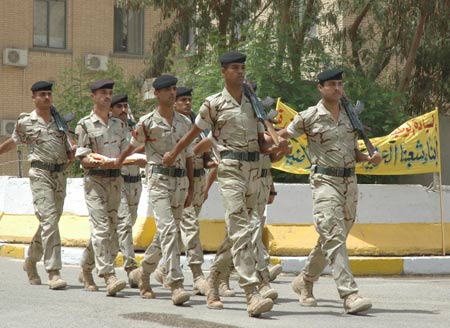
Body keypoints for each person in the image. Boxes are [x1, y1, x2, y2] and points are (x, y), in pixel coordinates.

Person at [161, 52, 289, 317]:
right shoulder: (213, 104)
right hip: (229, 169)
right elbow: (193, 135)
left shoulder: (253, 104)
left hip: (255, 170)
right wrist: (175, 153)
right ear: (223, 72)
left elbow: (261, 142)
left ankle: (214, 279)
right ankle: (251, 292)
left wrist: (277, 148)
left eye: (242, 67)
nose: (240, 72)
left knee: (241, 231)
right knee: (241, 230)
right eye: (234, 68)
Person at [278, 68, 382, 314]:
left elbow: (352, 151)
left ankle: (305, 281)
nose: (337, 88)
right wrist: (277, 144)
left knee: (333, 237)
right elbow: (284, 135)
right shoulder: (309, 116)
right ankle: (349, 294)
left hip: (349, 184)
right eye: (332, 84)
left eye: (340, 84)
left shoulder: (349, 115)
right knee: (334, 236)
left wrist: (368, 158)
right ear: (320, 88)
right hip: (324, 182)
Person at [115, 75, 193, 306]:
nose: (172, 92)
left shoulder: (185, 122)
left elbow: (188, 156)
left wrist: (191, 188)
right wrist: (117, 161)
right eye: (167, 89)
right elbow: (132, 145)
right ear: (157, 94)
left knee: (166, 235)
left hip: (180, 183)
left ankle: (143, 274)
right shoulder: (147, 122)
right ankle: (176, 283)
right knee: (168, 230)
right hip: (158, 179)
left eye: (174, 89)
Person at [0, 81, 72, 290]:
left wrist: (72, 152)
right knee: (49, 220)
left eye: (49, 94)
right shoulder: (26, 122)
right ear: (34, 97)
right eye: (42, 94)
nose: (47, 98)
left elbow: (69, 147)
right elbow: (14, 142)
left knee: (50, 223)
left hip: (59, 175)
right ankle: (54, 271)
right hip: (40, 174)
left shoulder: (60, 122)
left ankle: (30, 260)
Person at [152, 87, 213, 295]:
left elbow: (206, 157)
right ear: (174, 103)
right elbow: (185, 153)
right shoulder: (174, 126)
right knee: (190, 227)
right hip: (177, 181)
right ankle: (197, 274)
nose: (187, 103)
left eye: (189, 100)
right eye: (183, 100)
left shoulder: (195, 124)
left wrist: (202, 186)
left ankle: (158, 269)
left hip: (196, 179)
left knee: (175, 231)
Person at [75, 79, 129, 297]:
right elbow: (83, 159)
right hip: (95, 181)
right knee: (100, 229)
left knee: (111, 228)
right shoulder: (85, 124)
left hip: (116, 181)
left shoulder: (120, 125)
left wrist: (132, 160)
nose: (107, 96)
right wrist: (101, 161)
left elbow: (125, 153)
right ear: (94, 97)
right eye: (103, 93)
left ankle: (86, 269)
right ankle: (108, 275)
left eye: (109, 93)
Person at [109, 94, 146, 287]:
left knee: (123, 226)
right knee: (123, 224)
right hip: (119, 181)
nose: (123, 110)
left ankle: (89, 264)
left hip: (136, 182)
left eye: (125, 106)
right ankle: (132, 269)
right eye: (118, 107)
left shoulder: (135, 129)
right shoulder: (109, 130)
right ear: (111, 110)